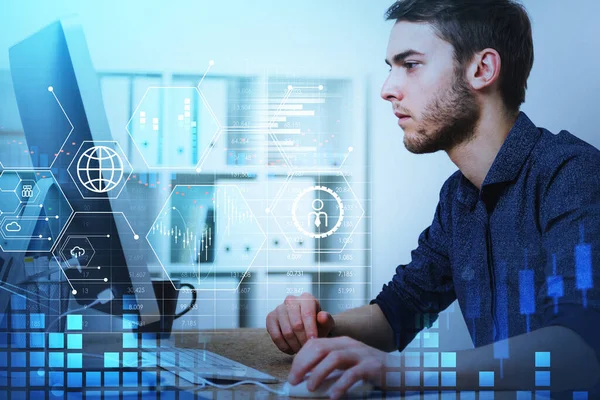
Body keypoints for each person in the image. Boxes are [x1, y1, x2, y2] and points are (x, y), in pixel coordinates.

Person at [266, 0, 600, 398]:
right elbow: (397, 314)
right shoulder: (459, 197)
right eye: (391, 67)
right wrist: (320, 324)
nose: (388, 89)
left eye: (410, 64)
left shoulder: (573, 174)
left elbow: (577, 354)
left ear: (482, 69)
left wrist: (399, 371)